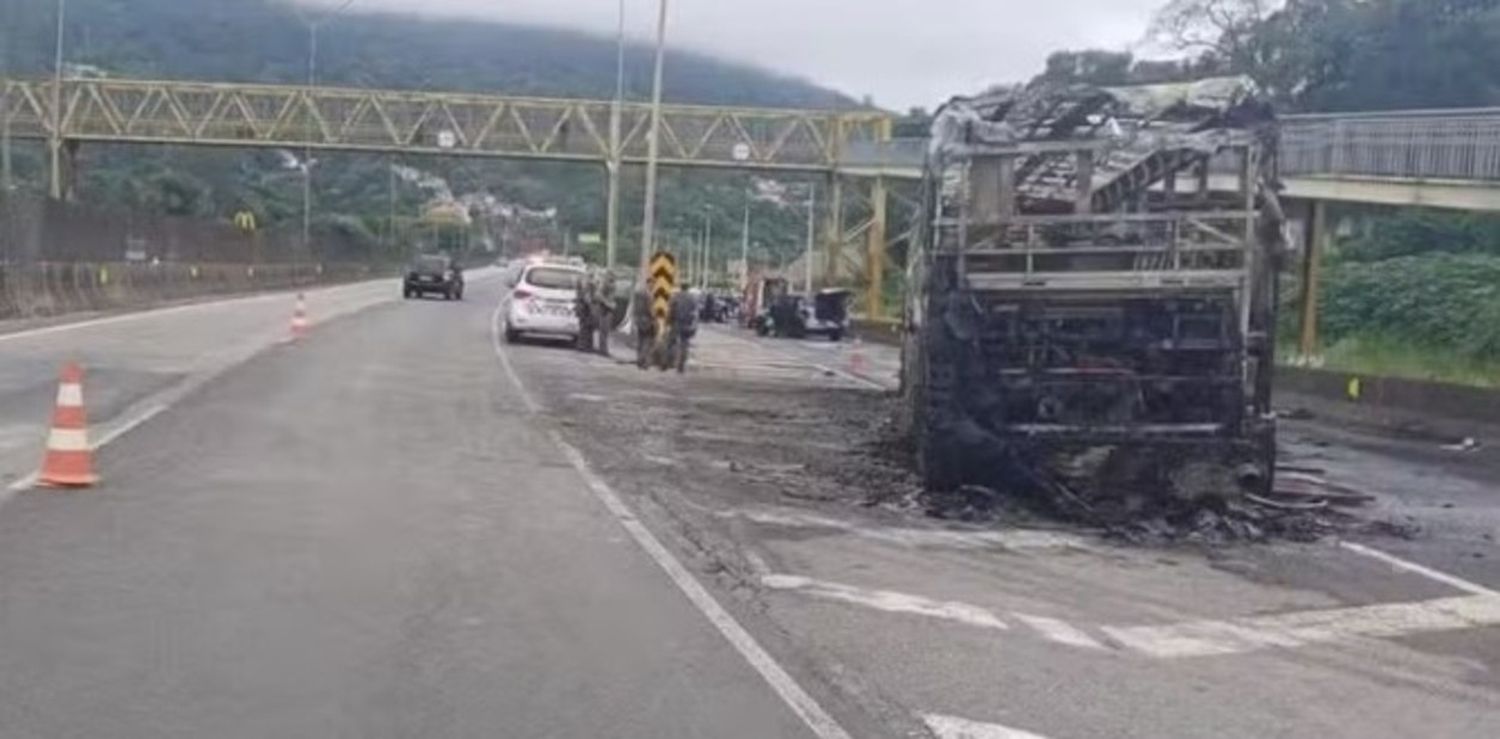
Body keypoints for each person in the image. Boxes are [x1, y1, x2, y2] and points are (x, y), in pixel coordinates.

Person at [665, 287, 700, 374]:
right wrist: (694, 325)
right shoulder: (693, 299)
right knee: (684, 345)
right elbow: (695, 313)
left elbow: (671, 311)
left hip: (676, 324)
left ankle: (670, 362)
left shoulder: (676, 297)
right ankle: (681, 366)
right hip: (687, 325)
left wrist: (668, 322)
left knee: (671, 343)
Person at [591, 268, 617, 357]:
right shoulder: (604, 284)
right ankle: (603, 350)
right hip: (604, 309)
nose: (613, 277)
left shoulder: (611, 284)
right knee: (603, 330)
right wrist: (607, 303)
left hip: (608, 309)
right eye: (611, 275)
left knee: (605, 331)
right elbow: (598, 295)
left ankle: (603, 349)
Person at [631, 281, 656, 370]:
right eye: (653, 284)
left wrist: (634, 318)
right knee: (647, 342)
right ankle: (644, 362)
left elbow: (634, 307)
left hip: (639, 320)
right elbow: (651, 310)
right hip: (647, 321)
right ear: (650, 284)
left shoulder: (638, 293)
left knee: (640, 341)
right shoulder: (649, 295)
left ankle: (639, 360)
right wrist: (655, 317)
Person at [574, 270, 596, 352]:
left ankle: (583, 345)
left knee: (584, 326)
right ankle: (585, 346)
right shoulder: (588, 284)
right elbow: (587, 297)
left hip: (582, 307)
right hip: (585, 308)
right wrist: (591, 308)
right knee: (587, 327)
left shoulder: (583, 283)